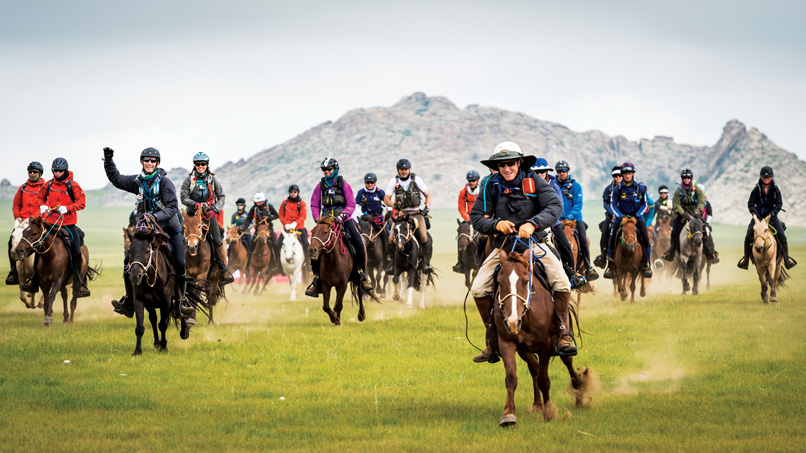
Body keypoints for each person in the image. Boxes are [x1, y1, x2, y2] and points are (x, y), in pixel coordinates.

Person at [470, 141, 574, 362]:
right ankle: (492, 339)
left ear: (519, 162)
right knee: (478, 289)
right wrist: (495, 225)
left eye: (510, 164)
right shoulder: (489, 185)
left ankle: (563, 332)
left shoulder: (533, 181)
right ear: (496, 167)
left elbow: (555, 206)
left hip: (533, 243)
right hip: (503, 246)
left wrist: (533, 224)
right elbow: (477, 217)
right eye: (501, 165)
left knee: (562, 283)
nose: (506, 169)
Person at [104, 147, 194, 319]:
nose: (149, 163)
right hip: (146, 231)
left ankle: (181, 303)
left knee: (181, 263)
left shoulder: (165, 182)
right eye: (146, 160)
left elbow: (172, 208)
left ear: (157, 163)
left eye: (153, 161)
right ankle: (129, 301)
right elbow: (116, 179)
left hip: (169, 229)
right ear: (142, 162)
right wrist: (108, 160)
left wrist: (154, 216)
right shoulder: (137, 181)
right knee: (128, 263)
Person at [19, 158, 90, 298]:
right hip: (50, 223)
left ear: (65, 171)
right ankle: (33, 282)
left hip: (68, 223)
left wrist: (68, 208)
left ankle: (79, 284)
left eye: (60, 171)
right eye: (55, 171)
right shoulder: (48, 184)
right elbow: (40, 198)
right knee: (38, 249)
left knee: (76, 251)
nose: (57, 173)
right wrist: (42, 205)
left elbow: (82, 202)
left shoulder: (73, 185)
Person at [305, 157, 373, 296]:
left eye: (329, 169)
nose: (326, 172)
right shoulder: (320, 186)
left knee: (359, 244)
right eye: (324, 170)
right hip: (325, 221)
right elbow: (314, 204)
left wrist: (342, 215)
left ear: (335, 169)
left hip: (343, 220)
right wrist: (317, 218)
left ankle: (361, 276)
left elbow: (351, 204)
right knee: (314, 247)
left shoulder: (344, 185)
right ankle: (316, 279)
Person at [180, 152, 234, 285]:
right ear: (195, 165)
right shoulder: (189, 180)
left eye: (203, 164)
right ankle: (177, 269)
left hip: (208, 216)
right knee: (180, 238)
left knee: (217, 240)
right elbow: (183, 198)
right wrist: (195, 204)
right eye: (198, 164)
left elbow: (221, 196)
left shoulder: (212, 179)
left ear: (206, 165)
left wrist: (215, 209)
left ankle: (222, 269)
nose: (200, 166)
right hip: (192, 217)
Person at [531, 158, 587, 288]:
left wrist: (546, 219)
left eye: (542, 172)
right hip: (532, 224)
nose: (539, 175)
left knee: (565, 245)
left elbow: (558, 206)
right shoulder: (528, 186)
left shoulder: (554, 186)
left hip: (552, 223)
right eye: (536, 172)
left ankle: (572, 274)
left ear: (546, 172)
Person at [737, 166, 797, 270]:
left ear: (771, 178)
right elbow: (751, 204)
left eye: (768, 178)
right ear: (761, 178)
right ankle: (746, 260)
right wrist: (755, 215)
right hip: (758, 218)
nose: (766, 179)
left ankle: (787, 259)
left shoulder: (775, 189)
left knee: (782, 235)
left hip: (771, 217)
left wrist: (772, 214)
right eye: (764, 178)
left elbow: (779, 203)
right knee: (748, 235)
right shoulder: (756, 189)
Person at [383, 158, 434, 273]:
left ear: (409, 169)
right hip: (402, 215)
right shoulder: (393, 181)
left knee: (424, 237)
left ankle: (425, 263)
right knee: (391, 237)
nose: (404, 171)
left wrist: (426, 208)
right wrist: (394, 204)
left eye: (406, 169)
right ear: (398, 170)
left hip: (416, 214)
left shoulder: (417, 180)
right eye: (402, 169)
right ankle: (392, 262)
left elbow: (428, 195)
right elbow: (386, 198)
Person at [605, 162, 652, 279]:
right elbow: (612, 205)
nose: (627, 176)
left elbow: (644, 204)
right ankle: (611, 266)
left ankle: (647, 265)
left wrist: (637, 215)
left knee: (645, 239)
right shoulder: (617, 189)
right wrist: (620, 216)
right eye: (625, 173)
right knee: (611, 239)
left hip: (637, 217)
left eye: (629, 173)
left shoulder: (640, 188)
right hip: (622, 218)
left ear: (633, 174)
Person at [662, 169, 718, 263]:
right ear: (682, 178)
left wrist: (697, 211)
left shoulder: (697, 189)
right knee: (674, 230)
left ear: (691, 178)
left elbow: (701, 201)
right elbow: (676, 204)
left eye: (688, 177)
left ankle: (708, 249)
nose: (686, 179)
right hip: (683, 215)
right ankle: (671, 250)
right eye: (684, 177)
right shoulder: (678, 190)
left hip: (696, 215)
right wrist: (683, 213)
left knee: (704, 228)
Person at [555, 160, 597, 281]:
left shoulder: (576, 186)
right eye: (559, 171)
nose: (561, 173)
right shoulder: (554, 186)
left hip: (575, 219)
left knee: (583, 239)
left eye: (563, 171)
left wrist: (569, 217)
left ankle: (588, 266)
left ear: (568, 171)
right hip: (559, 220)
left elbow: (578, 204)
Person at [6, 162, 45, 285]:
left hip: (37, 223)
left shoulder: (44, 187)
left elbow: (45, 205)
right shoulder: (23, 188)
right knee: (10, 243)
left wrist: (33, 219)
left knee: (43, 244)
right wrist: (18, 218)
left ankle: (43, 270)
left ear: (40, 173)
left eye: (35, 172)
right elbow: (16, 204)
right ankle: (13, 272)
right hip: (22, 223)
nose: (32, 174)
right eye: (30, 172)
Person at [594, 166, 622, 268]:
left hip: (625, 217)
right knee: (604, 235)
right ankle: (604, 258)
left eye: (620, 175)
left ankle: (644, 260)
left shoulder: (629, 189)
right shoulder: (608, 189)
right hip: (611, 217)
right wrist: (613, 213)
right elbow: (605, 204)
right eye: (615, 176)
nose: (618, 177)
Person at [453, 170, 480, 273]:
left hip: (481, 218)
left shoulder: (483, 191)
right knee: (461, 236)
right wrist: (468, 218)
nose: (471, 182)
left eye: (473, 180)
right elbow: (461, 207)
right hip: (469, 219)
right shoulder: (463, 192)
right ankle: (460, 262)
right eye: (470, 180)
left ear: (478, 180)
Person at [244, 191, 279, 270]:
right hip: (258, 230)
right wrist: (245, 226)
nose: (258, 203)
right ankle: (248, 264)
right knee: (252, 244)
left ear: (263, 201)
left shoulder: (269, 207)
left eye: (259, 202)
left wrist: (269, 217)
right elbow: (249, 218)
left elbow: (276, 215)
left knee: (275, 242)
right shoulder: (254, 208)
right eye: (256, 202)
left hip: (268, 229)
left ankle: (275, 263)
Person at [275, 184, 310, 263]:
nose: (293, 193)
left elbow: (303, 216)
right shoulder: (284, 203)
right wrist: (286, 223)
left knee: (306, 243)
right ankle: (277, 263)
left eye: (295, 191)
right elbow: (281, 215)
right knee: (277, 244)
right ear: (289, 193)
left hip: (299, 228)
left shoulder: (302, 203)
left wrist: (295, 223)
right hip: (287, 228)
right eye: (291, 192)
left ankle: (308, 263)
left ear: (298, 193)